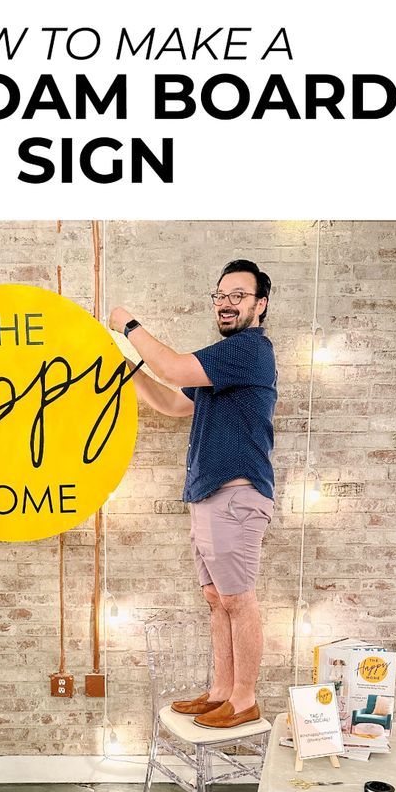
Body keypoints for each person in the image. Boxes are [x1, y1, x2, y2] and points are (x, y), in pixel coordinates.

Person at [109, 259, 277, 729]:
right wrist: (124, 366)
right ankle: (222, 690)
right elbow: (170, 400)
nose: (226, 303)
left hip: (235, 495)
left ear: (259, 305)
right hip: (209, 496)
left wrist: (128, 325)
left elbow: (173, 366)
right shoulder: (220, 370)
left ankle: (244, 699)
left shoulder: (249, 350)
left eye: (238, 296)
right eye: (221, 295)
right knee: (216, 598)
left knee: (239, 599)